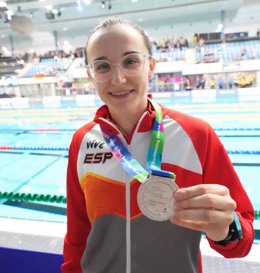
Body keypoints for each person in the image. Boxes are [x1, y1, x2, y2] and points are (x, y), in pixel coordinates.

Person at [61, 17, 255, 273]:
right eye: (103, 66)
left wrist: (227, 228)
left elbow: (242, 239)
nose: (118, 79)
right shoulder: (82, 141)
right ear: (91, 75)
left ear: (150, 66)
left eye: (130, 62)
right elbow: (77, 237)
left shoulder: (196, 135)